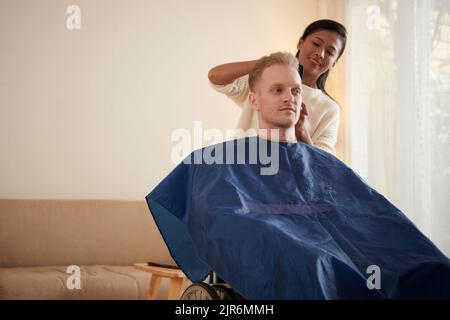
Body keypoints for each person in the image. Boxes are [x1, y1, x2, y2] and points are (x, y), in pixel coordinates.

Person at [208, 19, 347, 155]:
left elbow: (322, 166)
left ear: (334, 62)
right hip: (244, 169)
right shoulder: (263, 79)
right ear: (300, 42)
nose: (320, 54)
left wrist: (301, 131)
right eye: (316, 43)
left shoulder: (329, 109)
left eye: (330, 52)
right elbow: (216, 77)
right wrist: (267, 63)